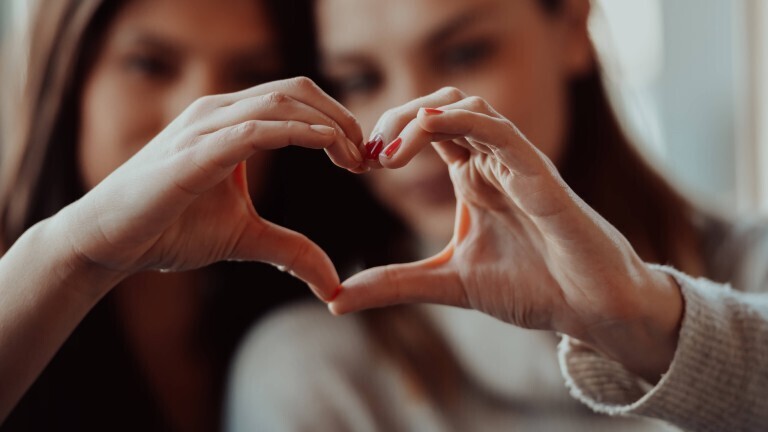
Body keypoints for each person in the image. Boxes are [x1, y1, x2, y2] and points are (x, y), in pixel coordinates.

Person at [227, 0, 768, 431]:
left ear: (572, 26)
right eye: (360, 81)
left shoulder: (753, 266)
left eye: (464, 54)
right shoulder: (310, 374)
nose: (408, 123)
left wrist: (653, 327)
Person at [0, 0, 364, 430]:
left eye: (251, 76)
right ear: (67, 76)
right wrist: (74, 255)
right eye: (150, 65)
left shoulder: (319, 310)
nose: (199, 114)